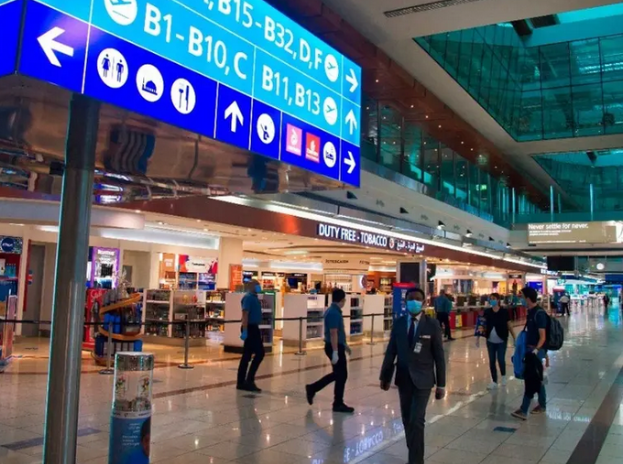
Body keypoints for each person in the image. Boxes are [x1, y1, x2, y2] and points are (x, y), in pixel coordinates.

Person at [380, 288, 446, 464]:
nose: (414, 302)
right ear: (406, 302)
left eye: (417, 299)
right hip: (404, 379)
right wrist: (385, 376)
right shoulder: (399, 324)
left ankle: (416, 461)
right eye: (410, 299)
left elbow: (439, 356)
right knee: (407, 420)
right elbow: (391, 351)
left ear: (423, 303)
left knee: (417, 420)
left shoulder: (432, 325)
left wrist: (441, 384)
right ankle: (415, 455)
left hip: (424, 380)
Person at [306, 289, 354, 413]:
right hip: (334, 346)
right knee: (341, 374)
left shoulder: (333, 311)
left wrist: (344, 345)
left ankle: (333, 399)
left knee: (339, 374)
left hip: (337, 345)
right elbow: (333, 333)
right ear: (342, 300)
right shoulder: (333, 313)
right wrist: (335, 351)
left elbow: (338, 332)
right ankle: (333, 400)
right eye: (344, 300)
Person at [512, 287, 548, 420]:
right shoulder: (531, 312)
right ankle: (542, 405)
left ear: (527, 298)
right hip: (530, 350)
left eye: (522, 296)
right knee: (537, 379)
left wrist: (537, 351)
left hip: (534, 352)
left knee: (531, 379)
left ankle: (524, 409)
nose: (520, 299)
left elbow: (543, 336)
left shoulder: (539, 314)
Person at [237, 280, 265, 393]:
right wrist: (245, 330)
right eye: (257, 285)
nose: (259, 287)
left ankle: (242, 381)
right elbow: (245, 314)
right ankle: (248, 380)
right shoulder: (248, 298)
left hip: (254, 328)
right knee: (259, 353)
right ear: (251, 286)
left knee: (247, 355)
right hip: (250, 328)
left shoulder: (255, 298)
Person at [485, 293, 516, 390]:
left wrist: (514, 337)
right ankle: (494, 381)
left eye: (493, 298)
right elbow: (482, 324)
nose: (492, 300)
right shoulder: (487, 312)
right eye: (490, 299)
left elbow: (509, 324)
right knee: (492, 361)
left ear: (498, 300)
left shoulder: (504, 312)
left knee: (501, 359)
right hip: (490, 340)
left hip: (501, 340)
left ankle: (503, 376)